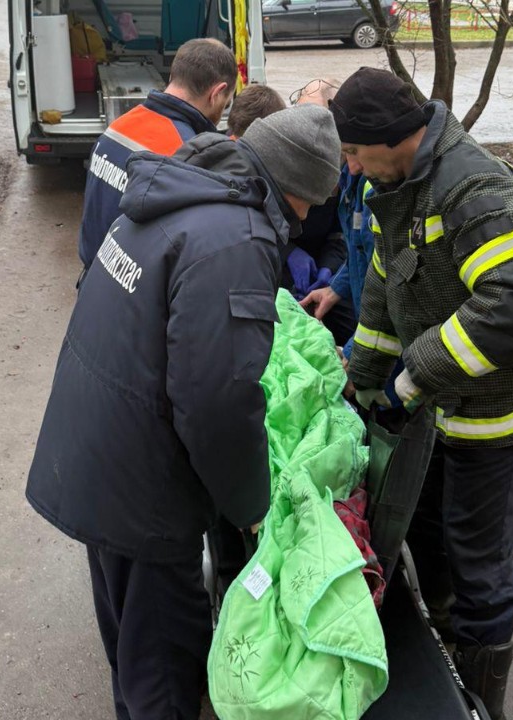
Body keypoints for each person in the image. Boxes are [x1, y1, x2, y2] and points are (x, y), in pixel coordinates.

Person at [26, 104, 342, 720]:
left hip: (96, 453)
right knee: (166, 666)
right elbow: (218, 401)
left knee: (131, 646)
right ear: (293, 187)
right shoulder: (236, 238)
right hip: (142, 488)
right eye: (308, 204)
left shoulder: (178, 194)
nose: (304, 222)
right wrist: (250, 507)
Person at [328, 67, 513, 720]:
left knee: (481, 563)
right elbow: (387, 282)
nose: (347, 165)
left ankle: (481, 698)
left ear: (388, 137)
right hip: (449, 407)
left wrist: (415, 373)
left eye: (352, 150)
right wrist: (361, 386)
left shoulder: (476, 187)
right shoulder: (397, 183)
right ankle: (448, 639)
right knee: (431, 524)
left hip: (505, 414)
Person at [76, 38, 237, 274]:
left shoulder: (118, 127)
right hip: (129, 296)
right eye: (226, 103)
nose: (222, 112)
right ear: (217, 93)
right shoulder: (187, 154)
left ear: (174, 75)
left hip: (94, 280)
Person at [282, 77, 357, 345]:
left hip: (325, 278)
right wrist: (287, 252)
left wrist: (328, 270)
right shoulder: (278, 156)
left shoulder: (352, 169)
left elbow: (341, 234)